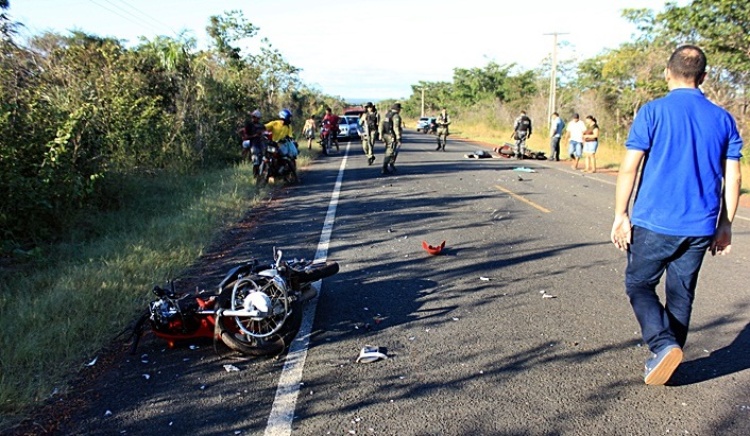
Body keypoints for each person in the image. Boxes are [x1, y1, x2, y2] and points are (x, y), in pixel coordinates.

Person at [610, 45, 743, 386]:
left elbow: (629, 168)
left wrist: (620, 214)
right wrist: (725, 224)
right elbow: (735, 177)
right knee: (681, 294)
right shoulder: (723, 118)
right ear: (704, 77)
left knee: (639, 284)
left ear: (667, 72)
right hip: (700, 225)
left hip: (654, 222)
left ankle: (663, 344)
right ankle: (668, 358)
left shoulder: (653, 112)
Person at [239, 109, 265, 177]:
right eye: (256, 117)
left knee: (263, 159)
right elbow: (246, 136)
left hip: (261, 143)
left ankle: (263, 175)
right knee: (256, 160)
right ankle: (255, 175)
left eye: (258, 118)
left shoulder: (261, 125)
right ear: (253, 117)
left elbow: (265, 132)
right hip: (254, 143)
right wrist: (254, 136)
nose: (257, 119)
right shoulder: (249, 125)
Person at [379, 103, 403, 175]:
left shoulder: (386, 115)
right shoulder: (396, 116)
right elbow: (396, 127)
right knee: (390, 152)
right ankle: (384, 167)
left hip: (385, 135)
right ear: (398, 109)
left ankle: (391, 165)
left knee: (390, 151)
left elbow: (381, 124)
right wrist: (398, 137)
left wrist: (381, 134)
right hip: (392, 136)